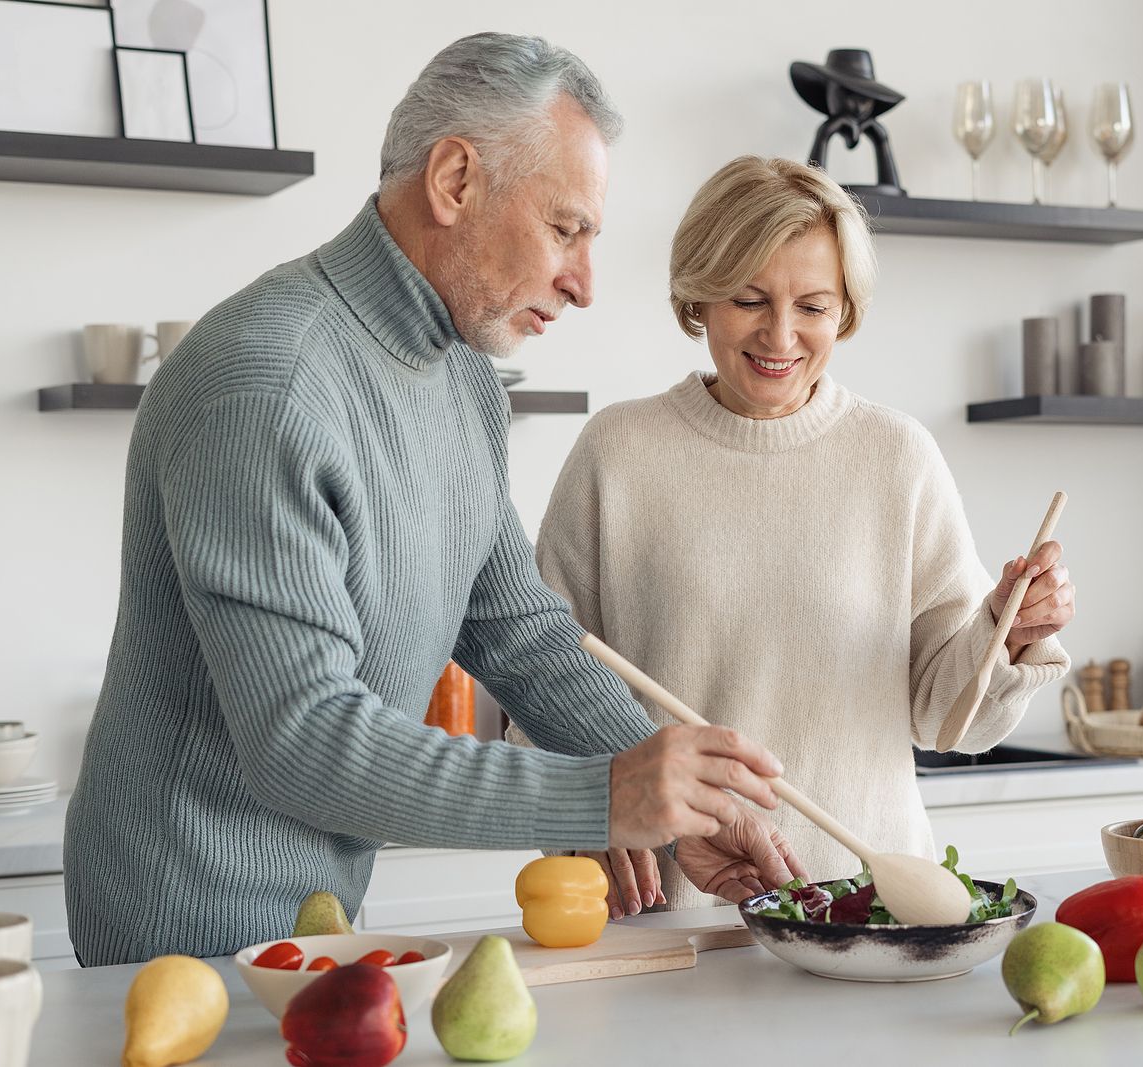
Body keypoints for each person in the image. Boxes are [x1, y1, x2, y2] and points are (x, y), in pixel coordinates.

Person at [63, 36, 800, 967]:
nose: (584, 283)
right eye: (566, 229)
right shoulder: (267, 383)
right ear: (455, 180)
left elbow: (517, 631)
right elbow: (301, 739)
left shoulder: (463, 380)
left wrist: (684, 808)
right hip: (179, 926)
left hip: (318, 912)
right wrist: (602, 795)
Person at [510, 156, 1074, 916]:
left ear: (845, 310)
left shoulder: (897, 457)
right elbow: (535, 680)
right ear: (699, 297)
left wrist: (1006, 633)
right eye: (748, 299)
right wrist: (583, 812)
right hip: (676, 915)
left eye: (813, 306)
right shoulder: (618, 452)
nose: (781, 335)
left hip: (870, 912)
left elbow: (948, 718)